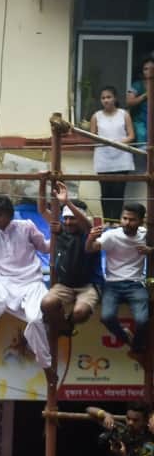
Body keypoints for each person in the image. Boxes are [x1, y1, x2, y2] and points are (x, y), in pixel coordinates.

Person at [0, 195, 52, 374]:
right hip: (4, 282)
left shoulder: (26, 226)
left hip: (31, 282)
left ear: (9, 215)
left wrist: (61, 235)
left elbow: (44, 247)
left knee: (36, 320)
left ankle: (45, 363)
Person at [41, 185, 101, 341]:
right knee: (47, 304)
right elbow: (41, 210)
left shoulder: (90, 234)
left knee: (80, 313)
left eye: (72, 218)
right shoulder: (61, 230)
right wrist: (42, 182)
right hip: (65, 285)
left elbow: (87, 225)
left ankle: (69, 323)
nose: (68, 222)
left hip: (87, 286)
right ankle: (64, 327)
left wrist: (67, 202)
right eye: (65, 218)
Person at [89, 201, 149, 355]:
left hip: (136, 284)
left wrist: (151, 250)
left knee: (143, 320)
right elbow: (90, 248)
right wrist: (91, 238)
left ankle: (137, 348)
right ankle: (127, 338)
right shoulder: (112, 235)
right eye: (124, 218)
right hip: (112, 284)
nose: (127, 223)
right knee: (107, 317)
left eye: (132, 219)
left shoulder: (145, 234)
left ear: (141, 221)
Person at [91, 85, 137, 221]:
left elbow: (131, 136)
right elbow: (93, 137)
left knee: (118, 193)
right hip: (103, 159)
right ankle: (106, 221)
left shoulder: (124, 114)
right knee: (105, 193)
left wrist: (117, 142)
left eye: (109, 97)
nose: (106, 100)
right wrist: (105, 142)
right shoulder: (96, 116)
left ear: (115, 98)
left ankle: (116, 222)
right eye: (103, 98)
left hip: (122, 158)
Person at [127, 57, 154, 145]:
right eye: (146, 69)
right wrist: (146, 95)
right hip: (140, 122)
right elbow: (129, 102)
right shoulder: (137, 85)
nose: (149, 71)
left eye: (151, 68)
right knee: (143, 146)